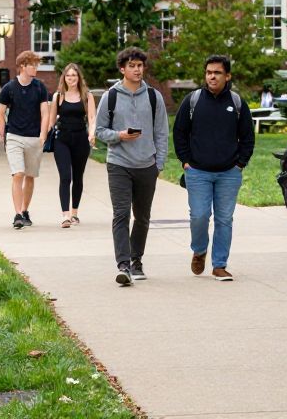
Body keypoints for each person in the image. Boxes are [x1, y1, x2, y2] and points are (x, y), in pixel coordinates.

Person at [172, 55, 254, 282]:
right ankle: (199, 250)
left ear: (227, 76)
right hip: (197, 171)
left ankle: (219, 265)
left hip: (229, 172)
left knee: (224, 219)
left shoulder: (237, 103)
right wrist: (185, 160)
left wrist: (240, 163)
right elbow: (179, 132)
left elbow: (247, 136)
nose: (212, 76)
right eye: (209, 72)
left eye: (217, 72)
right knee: (199, 216)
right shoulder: (193, 100)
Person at [95, 48, 168, 286]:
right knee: (121, 214)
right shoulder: (111, 96)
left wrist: (158, 164)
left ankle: (137, 261)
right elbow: (99, 131)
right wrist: (119, 136)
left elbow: (161, 132)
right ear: (122, 69)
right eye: (132, 66)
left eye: (140, 66)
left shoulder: (154, 97)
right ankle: (123, 265)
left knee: (143, 216)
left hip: (147, 165)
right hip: (119, 164)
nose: (137, 70)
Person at [0, 50, 50, 230]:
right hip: (14, 137)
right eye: (32, 65)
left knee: (30, 176)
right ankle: (18, 214)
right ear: (22, 67)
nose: (35, 68)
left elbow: (45, 113)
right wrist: (3, 134)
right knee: (18, 173)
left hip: (34, 137)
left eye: (36, 65)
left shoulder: (40, 87)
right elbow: (0, 114)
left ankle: (25, 210)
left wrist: (43, 135)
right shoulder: (9, 88)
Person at [48, 62, 97, 228]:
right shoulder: (58, 96)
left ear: (78, 77)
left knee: (77, 177)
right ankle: (65, 216)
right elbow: (52, 119)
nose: (71, 78)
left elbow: (91, 118)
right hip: (62, 139)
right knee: (65, 177)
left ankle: (74, 213)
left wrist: (92, 134)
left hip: (81, 139)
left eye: (74, 75)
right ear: (64, 78)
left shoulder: (86, 96)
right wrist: (42, 137)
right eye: (68, 76)